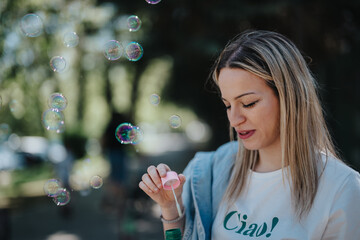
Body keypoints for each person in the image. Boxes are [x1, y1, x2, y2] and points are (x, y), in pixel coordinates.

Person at [138, 30, 360, 239]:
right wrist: (170, 208)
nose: (235, 119)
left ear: (289, 98)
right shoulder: (210, 172)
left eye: (248, 103)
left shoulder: (342, 188)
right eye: (227, 105)